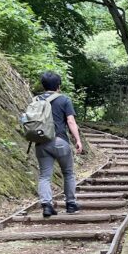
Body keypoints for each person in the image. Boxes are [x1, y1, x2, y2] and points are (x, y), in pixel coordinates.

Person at [35, 71, 83, 218]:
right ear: (58, 86)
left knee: (44, 176)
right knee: (68, 173)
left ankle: (47, 206)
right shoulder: (64, 100)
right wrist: (78, 140)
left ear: (43, 85)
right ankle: (71, 204)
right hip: (60, 141)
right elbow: (70, 121)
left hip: (42, 142)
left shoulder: (36, 100)